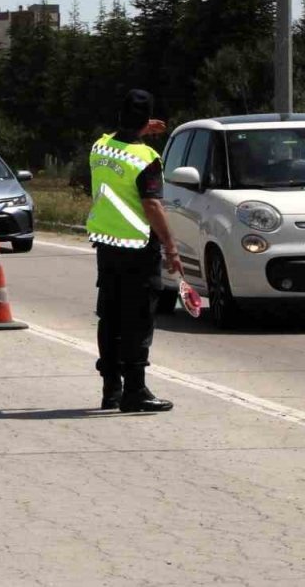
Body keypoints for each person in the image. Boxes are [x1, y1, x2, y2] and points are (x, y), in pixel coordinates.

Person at [85, 89, 184, 413]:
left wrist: (138, 129)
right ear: (146, 120)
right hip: (139, 247)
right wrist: (171, 247)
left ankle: (111, 388)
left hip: (107, 243)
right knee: (138, 319)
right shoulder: (146, 159)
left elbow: (117, 139)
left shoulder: (100, 147)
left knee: (110, 316)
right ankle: (136, 390)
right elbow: (152, 205)